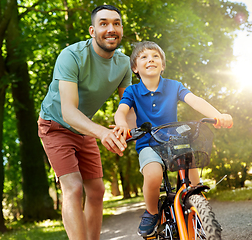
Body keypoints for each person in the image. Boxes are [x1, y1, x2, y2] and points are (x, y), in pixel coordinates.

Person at [114, 41, 233, 237]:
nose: (150, 59)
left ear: (162, 64)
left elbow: (195, 100)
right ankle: (152, 212)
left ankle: (200, 213)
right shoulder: (132, 91)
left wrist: (218, 115)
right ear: (135, 67)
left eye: (155, 56)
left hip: (175, 142)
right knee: (153, 174)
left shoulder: (174, 86)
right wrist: (122, 125)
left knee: (193, 181)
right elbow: (121, 111)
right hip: (149, 143)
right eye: (143, 57)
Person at [37, 5, 133, 240]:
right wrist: (101, 132)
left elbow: (129, 105)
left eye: (116, 23)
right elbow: (69, 112)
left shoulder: (124, 64)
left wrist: (127, 127)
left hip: (84, 128)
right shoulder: (71, 56)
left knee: (98, 190)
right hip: (56, 125)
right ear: (92, 30)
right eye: (104, 23)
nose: (111, 29)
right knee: (74, 187)